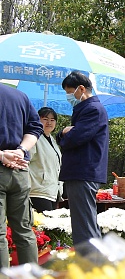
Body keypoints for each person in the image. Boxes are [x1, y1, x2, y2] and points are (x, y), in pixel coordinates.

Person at [58, 71, 109, 246]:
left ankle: (92, 267)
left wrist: (65, 132)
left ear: (81, 89)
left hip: (83, 171)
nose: (68, 97)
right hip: (82, 171)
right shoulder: (87, 108)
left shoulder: (92, 109)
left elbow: (74, 138)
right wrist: (64, 132)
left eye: (69, 92)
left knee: (84, 226)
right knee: (85, 222)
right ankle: (95, 266)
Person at [0, 81, 42, 268]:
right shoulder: (19, 96)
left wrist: (2, 155)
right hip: (20, 169)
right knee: (24, 230)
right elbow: (35, 128)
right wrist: (20, 150)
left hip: (5, 164)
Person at [28, 107, 62, 212]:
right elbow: (25, 161)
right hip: (37, 190)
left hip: (52, 192)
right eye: (45, 119)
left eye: (52, 120)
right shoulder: (33, 138)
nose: (49, 122)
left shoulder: (53, 140)